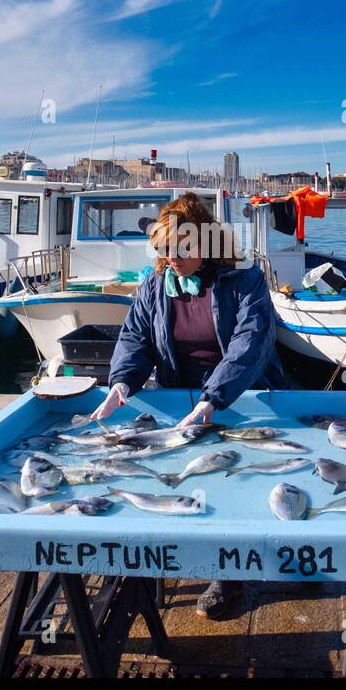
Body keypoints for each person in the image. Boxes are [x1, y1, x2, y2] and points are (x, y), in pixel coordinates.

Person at [95, 193, 284, 620]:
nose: (171, 258)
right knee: (179, 479)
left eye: (182, 249)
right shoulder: (154, 284)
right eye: (163, 250)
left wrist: (213, 397)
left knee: (230, 478)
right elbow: (135, 339)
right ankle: (166, 554)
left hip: (242, 395)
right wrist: (121, 382)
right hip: (179, 394)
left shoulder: (245, 280)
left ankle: (228, 574)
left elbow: (249, 345)